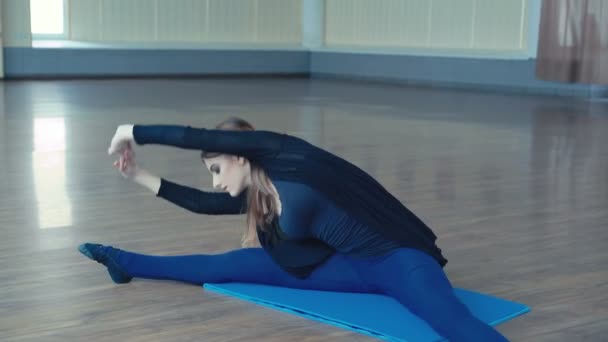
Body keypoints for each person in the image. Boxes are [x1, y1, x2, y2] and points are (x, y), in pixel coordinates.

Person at [79, 117, 508, 341]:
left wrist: (131, 131)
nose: (215, 180)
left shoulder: (285, 155)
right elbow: (201, 204)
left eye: (216, 168)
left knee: (449, 321)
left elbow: (196, 136)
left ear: (240, 157)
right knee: (222, 265)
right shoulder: (260, 194)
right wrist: (136, 176)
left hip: (399, 261)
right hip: (344, 267)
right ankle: (123, 261)